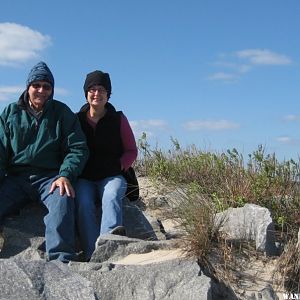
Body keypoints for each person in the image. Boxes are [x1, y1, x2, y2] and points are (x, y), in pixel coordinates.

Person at [0, 61, 89, 262]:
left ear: (52, 90)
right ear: (28, 87)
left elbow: (78, 148)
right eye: (36, 85)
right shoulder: (10, 112)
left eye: (46, 87)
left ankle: (61, 262)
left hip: (50, 178)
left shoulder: (62, 113)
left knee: (63, 200)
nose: (41, 90)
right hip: (15, 178)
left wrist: (66, 174)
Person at [75, 70, 138, 261]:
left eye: (101, 90)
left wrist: (119, 166)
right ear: (86, 93)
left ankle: (108, 249)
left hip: (112, 175)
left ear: (108, 94)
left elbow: (131, 151)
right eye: (92, 89)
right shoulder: (76, 120)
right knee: (84, 204)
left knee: (111, 196)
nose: (96, 94)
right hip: (84, 177)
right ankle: (91, 254)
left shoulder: (118, 119)